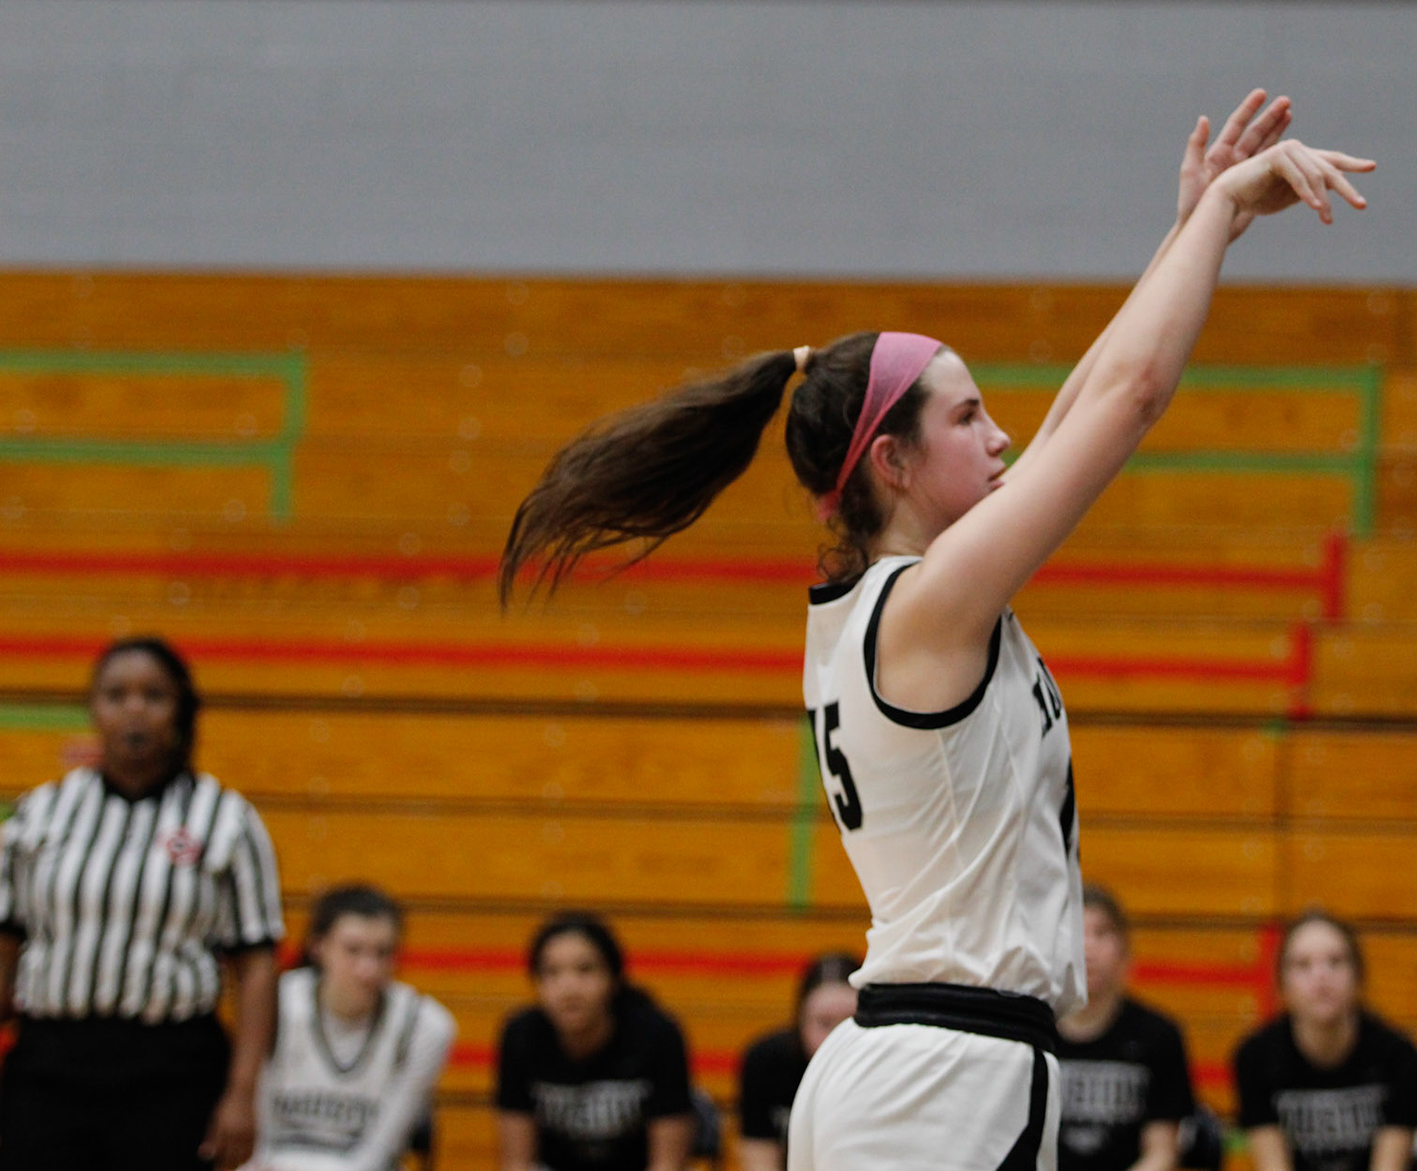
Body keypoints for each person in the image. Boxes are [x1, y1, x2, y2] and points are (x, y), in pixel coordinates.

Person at [499, 87, 1371, 1171]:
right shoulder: (925, 607)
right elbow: (1130, 395)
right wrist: (1226, 205)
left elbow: (1088, 395)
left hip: (914, 1066)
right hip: (946, 1077)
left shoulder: (896, 604)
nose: (1003, 435)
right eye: (968, 414)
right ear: (892, 462)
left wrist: (1197, 230)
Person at [0, 635, 284, 1171]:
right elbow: (7, 943)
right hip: (49, 1063)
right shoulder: (40, 813)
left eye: (153, 695)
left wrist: (244, 1093)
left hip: (171, 1069)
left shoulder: (226, 820)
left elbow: (255, 965)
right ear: (93, 708)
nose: (135, 709)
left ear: (180, 709)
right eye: (116, 694)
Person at [246, 884, 455, 1171]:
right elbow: (258, 1146)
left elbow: (378, 1154)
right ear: (319, 947)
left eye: (382, 953)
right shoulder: (273, 1005)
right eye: (353, 950)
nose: (368, 970)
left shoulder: (425, 1025)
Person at [495, 912, 695, 1171]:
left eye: (585, 970)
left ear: (613, 978)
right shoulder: (521, 1036)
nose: (569, 988)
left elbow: (667, 1164)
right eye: (552, 973)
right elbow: (517, 1163)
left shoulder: (658, 1035)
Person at [1234, 911, 1417, 1171]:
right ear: (1282, 983)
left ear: (1358, 976)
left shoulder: (1400, 1057)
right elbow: (1272, 1164)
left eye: (1336, 961)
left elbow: (1389, 1166)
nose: (1321, 976)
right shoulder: (1255, 1057)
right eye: (1303, 965)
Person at [1055, 885, 1197, 1171]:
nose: (1088, 947)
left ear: (1124, 949)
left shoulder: (1159, 1035)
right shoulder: (1030, 1033)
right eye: (1077, 933)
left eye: (1101, 933)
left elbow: (1162, 1152)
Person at [736, 953, 861, 1171]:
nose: (838, 1038)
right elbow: (760, 1161)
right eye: (824, 1023)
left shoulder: (890, 1067)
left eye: (851, 1022)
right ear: (800, 1023)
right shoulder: (765, 1063)